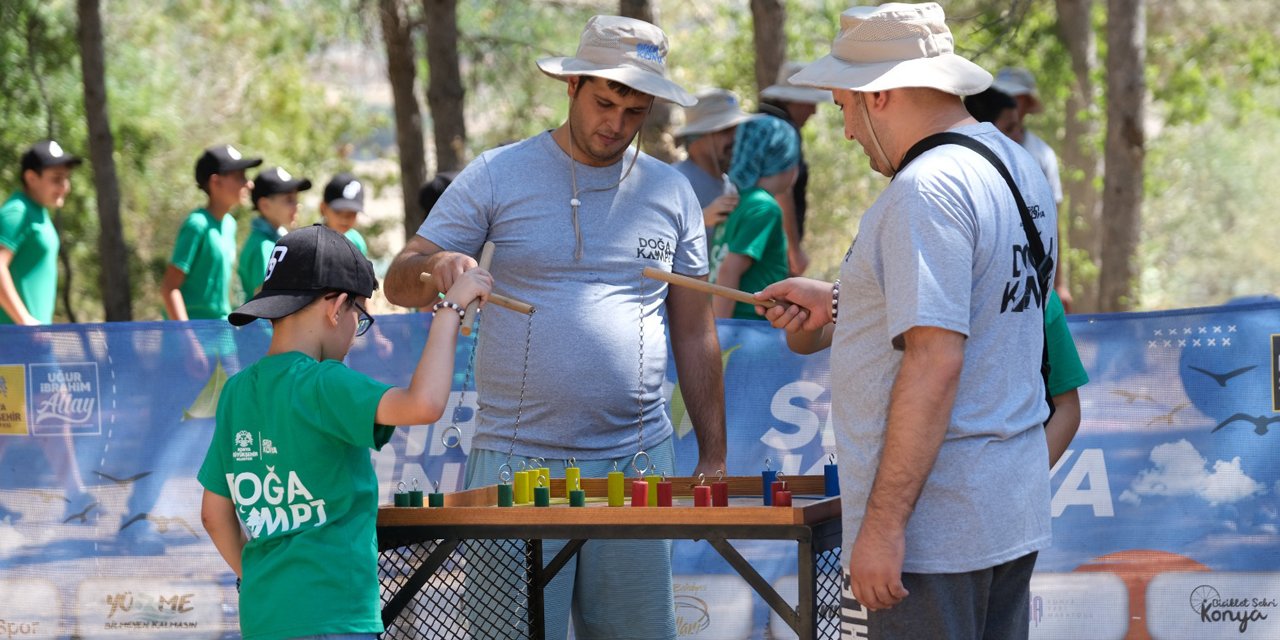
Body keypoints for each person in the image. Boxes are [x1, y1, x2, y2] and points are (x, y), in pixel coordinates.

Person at [382, 15, 727, 640]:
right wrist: (437, 265)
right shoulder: (498, 172)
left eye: (634, 111)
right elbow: (397, 278)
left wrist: (715, 452)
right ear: (571, 88)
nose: (615, 124)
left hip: (638, 462)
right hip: (516, 463)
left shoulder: (672, 192)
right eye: (604, 102)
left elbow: (696, 332)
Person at [755, 4, 1057, 638]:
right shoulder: (1016, 166)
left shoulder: (926, 187)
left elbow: (935, 359)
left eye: (843, 107)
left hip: (935, 530)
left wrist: (884, 527)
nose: (845, 132)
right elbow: (978, 310)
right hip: (1004, 510)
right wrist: (846, 302)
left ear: (880, 94)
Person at [198, 224, 492, 640]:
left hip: (264, 617)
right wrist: (451, 309)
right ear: (336, 307)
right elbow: (423, 403)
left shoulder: (236, 392)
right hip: (335, 619)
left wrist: (262, 578)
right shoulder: (325, 383)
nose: (356, 333)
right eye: (361, 317)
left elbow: (213, 515)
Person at [991, 67, 1073, 310]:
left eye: (1014, 96)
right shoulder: (979, 145)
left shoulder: (1041, 153)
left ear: (1026, 102)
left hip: (1030, 264)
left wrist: (1059, 283)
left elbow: (1052, 220)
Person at [709, 116, 799, 320]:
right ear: (784, 161)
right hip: (748, 326)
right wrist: (720, 332)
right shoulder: (764, 207)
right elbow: (728, 270)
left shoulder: (739, 200)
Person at [163, 144, 261, 321]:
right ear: (216, 182)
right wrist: (188, 338)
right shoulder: (196, 225)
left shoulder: (230, 224)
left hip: (219, 330)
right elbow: (170, 288)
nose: (249, 183)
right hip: (193, 334)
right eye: (239, 177)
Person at [759, 61, 830, 276]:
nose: (814, 111)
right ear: (791, 100)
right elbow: (782, 189)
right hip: (771, 248)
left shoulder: (759, 124)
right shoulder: (784, 131)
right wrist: (793, 250)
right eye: (809, 103)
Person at [1, 140, 81, 325]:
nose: (65, 187)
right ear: (31, 178)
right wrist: (25, 320)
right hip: (11, 345)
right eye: (57, 179)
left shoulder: (38, 212)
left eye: (66, 178)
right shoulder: (17, 212)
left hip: (32, 342)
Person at [672, 88, 756, 240]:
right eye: (726, 131)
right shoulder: (673, 182)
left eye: (737, 130)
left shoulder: (731, 184)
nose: (736, 138)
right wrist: (701, 221)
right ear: (696, 137)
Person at [239, 166, 310, 298]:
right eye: (289, 200)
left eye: (296, 199)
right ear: (265, 205)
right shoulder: (264, 247)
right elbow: (265, 301)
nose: (297, 206)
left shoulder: (273, 240)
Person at [320, 172, 369, 257]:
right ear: (323, 208)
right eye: (338, 211)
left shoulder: (357, 242)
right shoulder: (313, 239)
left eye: (352, 213)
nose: (345, 219)